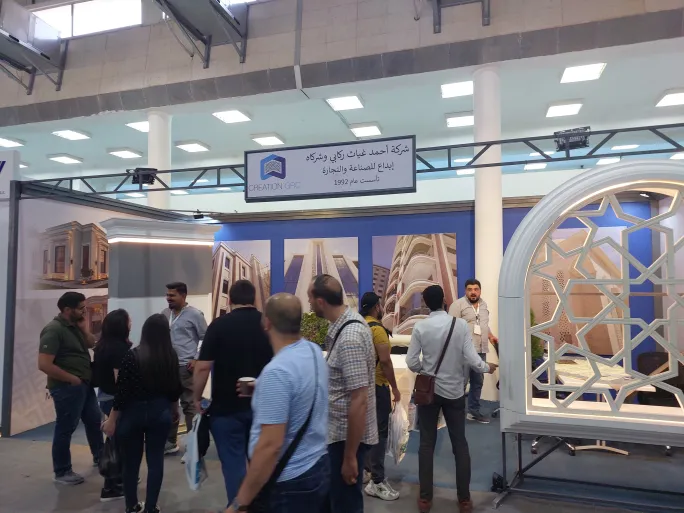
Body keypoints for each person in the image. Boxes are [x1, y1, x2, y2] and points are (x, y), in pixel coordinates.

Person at [229, 293, 330, 512]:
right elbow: (303, 384)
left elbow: (270, 447)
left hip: (288, 484)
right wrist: (263, 388)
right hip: (317, 466)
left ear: (267, 323)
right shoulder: (312, 350)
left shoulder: (276, 372)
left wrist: (240, 503)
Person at [407, 285, 498, 513]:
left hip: (429, 393)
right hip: (455, 392)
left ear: (426, 304)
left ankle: (425, 499)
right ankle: (464, 500)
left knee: (426, 444)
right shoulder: (460, 326)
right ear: (445, 301)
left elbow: (411, 362)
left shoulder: (420, 327)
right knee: (460, 444)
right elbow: (472, 358)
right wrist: (486, 367)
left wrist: (425, 370)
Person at [193, 280, 273, 507]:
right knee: (262, 463)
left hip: (226, 409)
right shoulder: (267, 324)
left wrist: (196, 398)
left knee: (233, 465)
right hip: (264, 407)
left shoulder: (218, 326)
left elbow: (202, 367)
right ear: (254, 299)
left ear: (229, 300)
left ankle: (239, 508)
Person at [308, 274, 378, 513]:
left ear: (320, 302)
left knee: (345, 504)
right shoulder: (345, 324)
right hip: (339, 436)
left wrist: (350, 457)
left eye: (310, 298)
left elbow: (359, 400)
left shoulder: (349, 338)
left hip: (345, 440)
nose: (309, 304)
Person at [102, 314, 182, 513]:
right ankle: (151, 507)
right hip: (160, 412)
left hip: (133, 413)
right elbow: (175, 388)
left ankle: (132, 506)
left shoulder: (132, 356)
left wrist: (112, 419)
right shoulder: (170, 356)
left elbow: (122, 392)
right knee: (156, 461)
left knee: (131, 463)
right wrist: (174, 410)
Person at [37, 291, 103, 485]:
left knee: (94, 420)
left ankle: (101, 456)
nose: (84, 311)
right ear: (67, 309)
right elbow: (44, 364)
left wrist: (83, 328)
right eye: (81, 308)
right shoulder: (53, 330)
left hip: (84, 385)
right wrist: (72, 379)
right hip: (67, 387)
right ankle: (62, 470)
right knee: (65, 428)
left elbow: (91, 343)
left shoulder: (75, 326)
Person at [359, 292, 401, 501]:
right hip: (378, 387)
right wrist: (395, 388)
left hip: (361, 388)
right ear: (377, 307)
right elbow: (385, 362)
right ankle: (377, 480)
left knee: (365, 431)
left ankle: (366, 470)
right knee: (379, 434)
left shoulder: (359, 327)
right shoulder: (378, 330)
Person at [91, 309, 132, 502]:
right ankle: (112, 486)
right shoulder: (119, 349)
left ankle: (119, 479)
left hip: (105, 398)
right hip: (116, 401)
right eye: (129, 321)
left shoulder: (102, 346)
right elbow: (121, 383)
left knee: (116, 442)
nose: (131, 324)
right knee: (118, 444)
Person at [163, 281, 208, 454]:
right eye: (167, 295)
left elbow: (205, 338)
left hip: (186, 367)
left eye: (172, 295)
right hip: (168, 368)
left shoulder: (195, 314)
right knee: (169, 405)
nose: (168, 298)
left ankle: (192, 447)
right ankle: (170, 442)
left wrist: (197, 359)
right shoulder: (165, 314)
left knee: (189, 406)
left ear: (183, 295)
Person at [449, 278, 499, 424]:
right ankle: (455, 413)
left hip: (481, 350)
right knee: (461, 383)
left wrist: (490, 336)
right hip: (463, 352)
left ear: (480, 291)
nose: (473, 292)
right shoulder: (457, 305)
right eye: (470, 289)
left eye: (476, 289)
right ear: (465, 291)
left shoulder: (483, 305)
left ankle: (473, 411)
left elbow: (483, 325)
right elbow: (451, 327)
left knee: (478, 382)